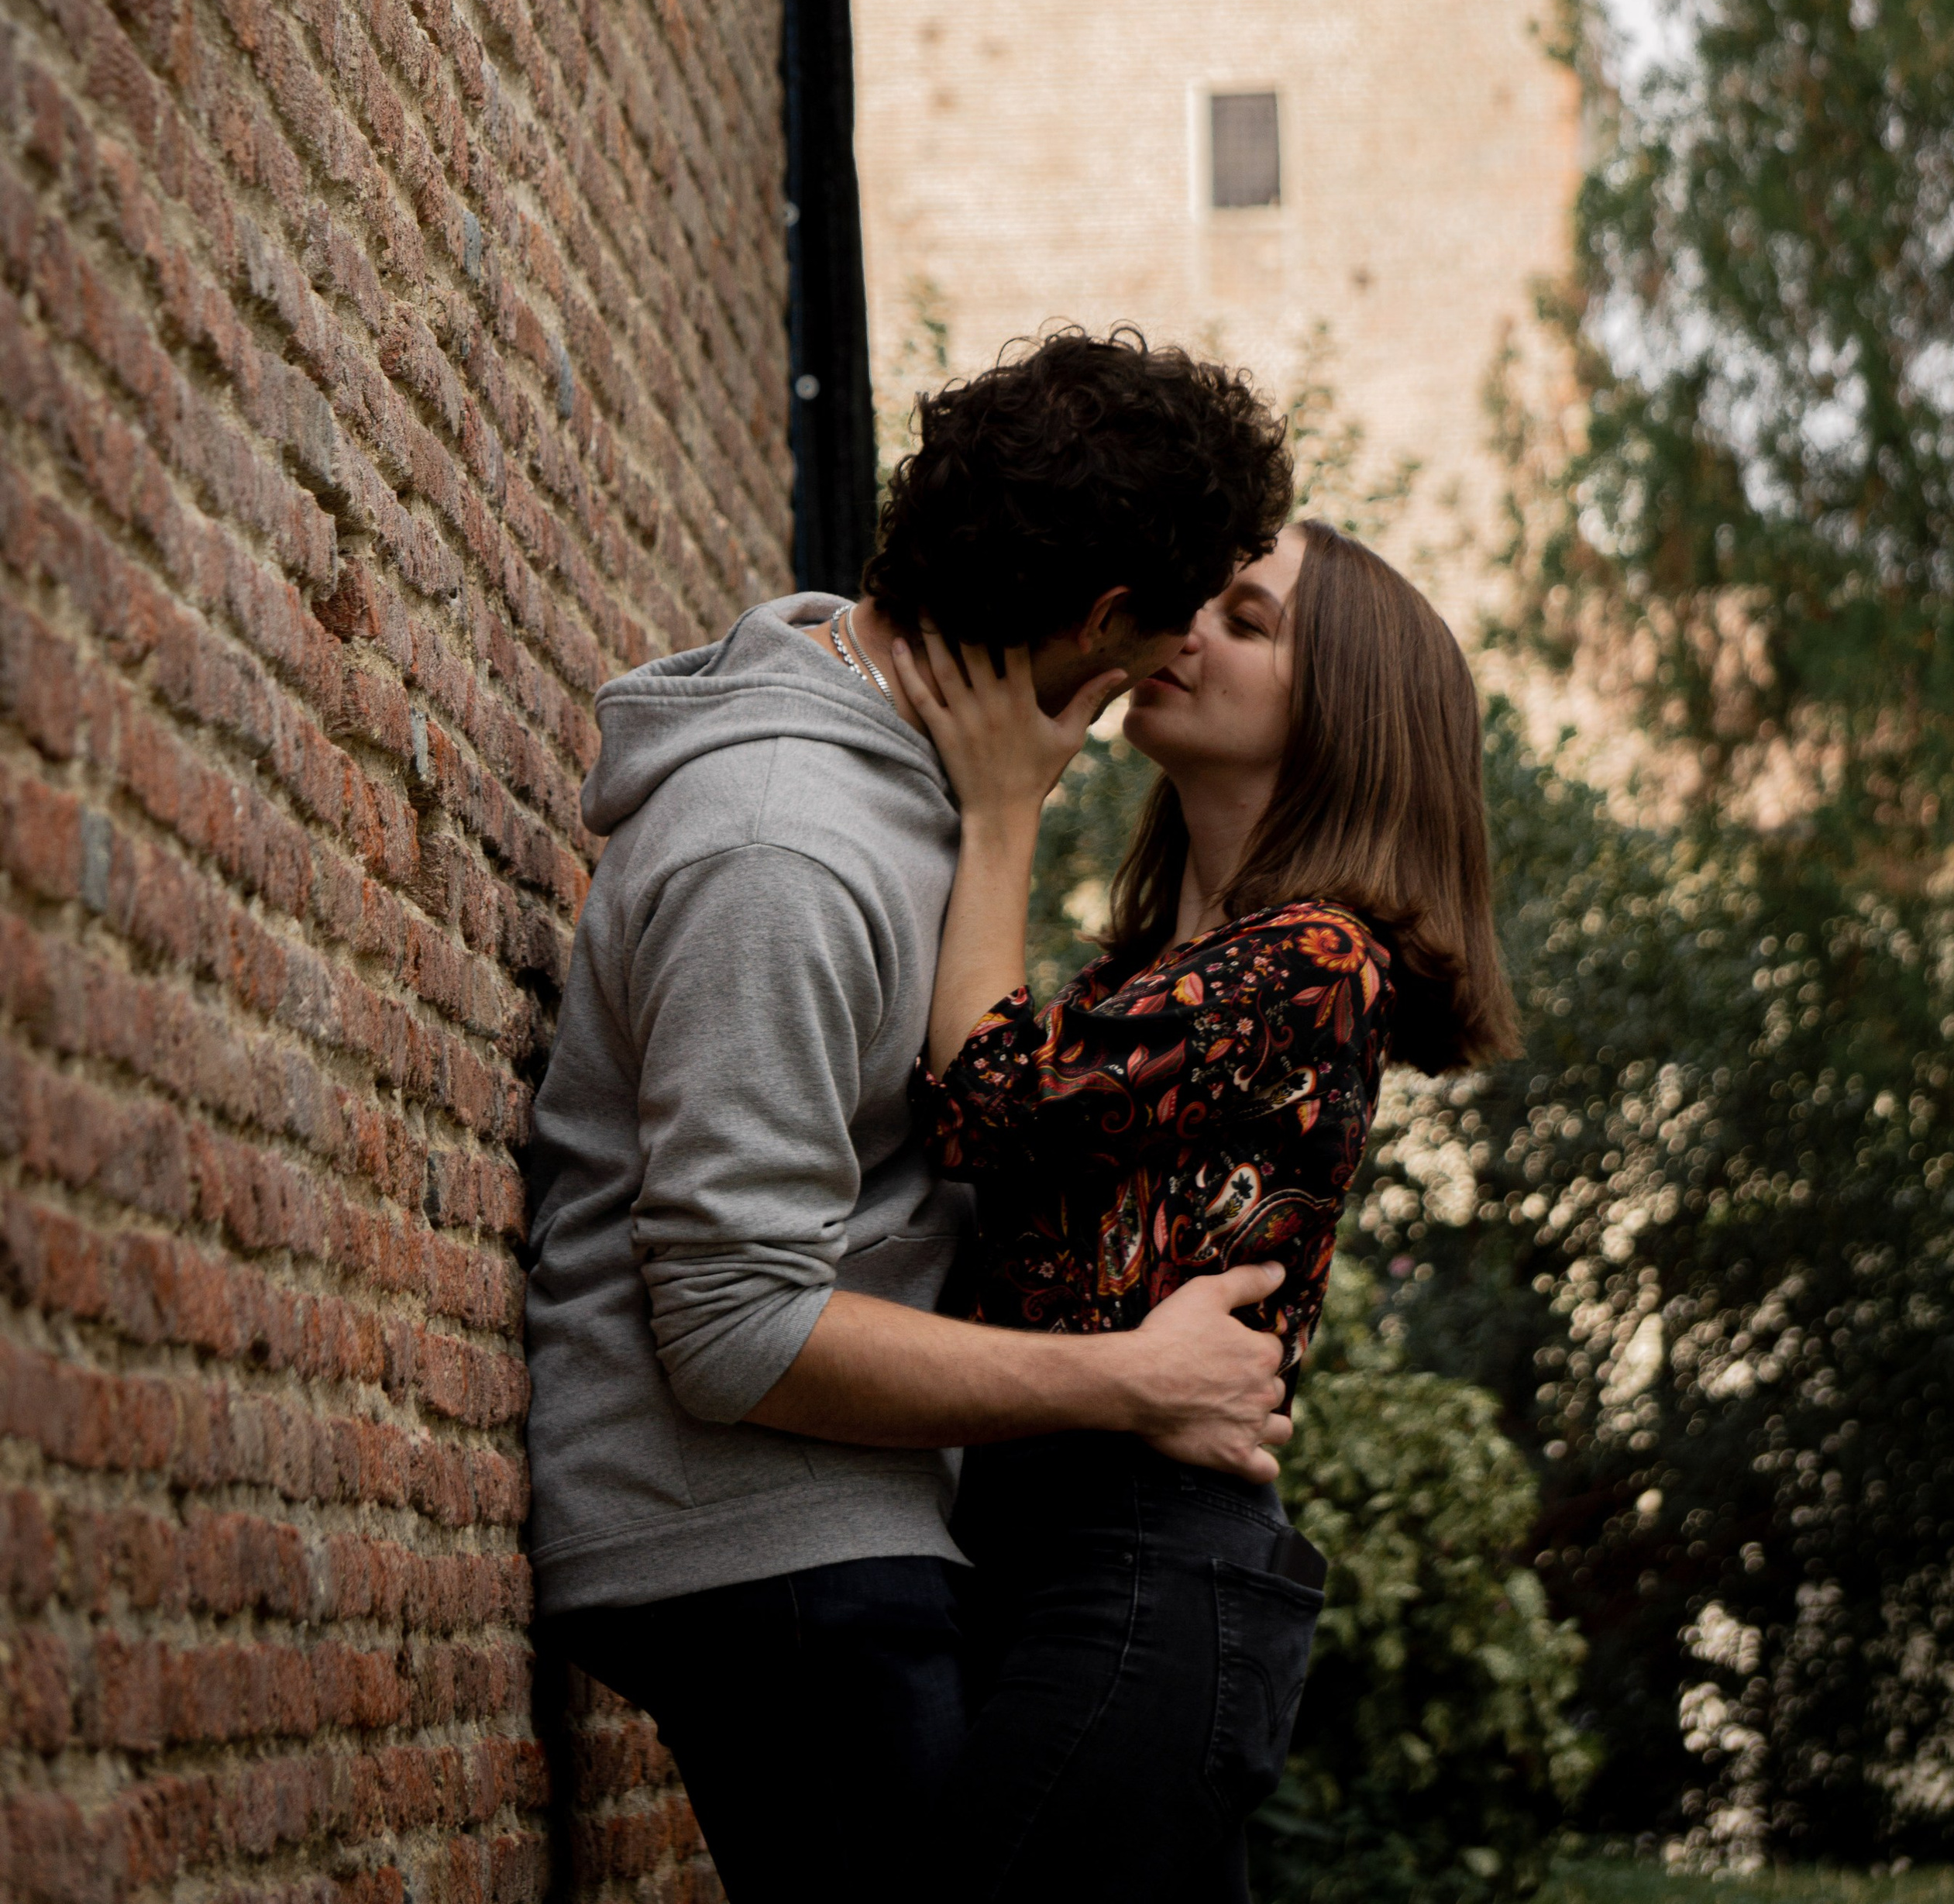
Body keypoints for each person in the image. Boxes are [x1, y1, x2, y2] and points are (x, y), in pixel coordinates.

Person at [523, 329, 1296, 1904]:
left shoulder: (913, 782)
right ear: (1097, 623)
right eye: (1163, 640)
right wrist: (1131, 1385)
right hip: (762, 1547)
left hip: (853, 1525)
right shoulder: (781, 852)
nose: (1160, 676)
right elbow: (732, 1330)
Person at [897, 516, 1521, 1904]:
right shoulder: (1150, 972)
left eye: (1249, 621)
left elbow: (982, 1105)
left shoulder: (1318, 960)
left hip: (1142, 1564)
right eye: (1202, 601)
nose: (1189, 631)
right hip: (1049, 1546)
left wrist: (1003, 806)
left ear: (1343, 712)